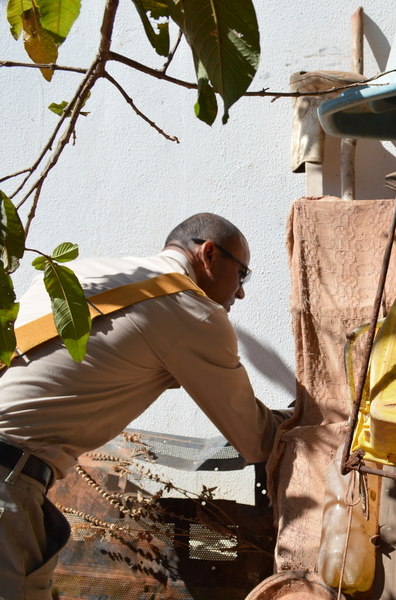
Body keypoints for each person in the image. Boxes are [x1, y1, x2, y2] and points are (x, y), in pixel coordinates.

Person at [0, 213, 288, 599]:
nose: (240, 293)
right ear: (208, 254)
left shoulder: (83, 275)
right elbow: (256, 440)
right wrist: (305, 420)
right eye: (242, 275)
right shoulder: (190, 311)